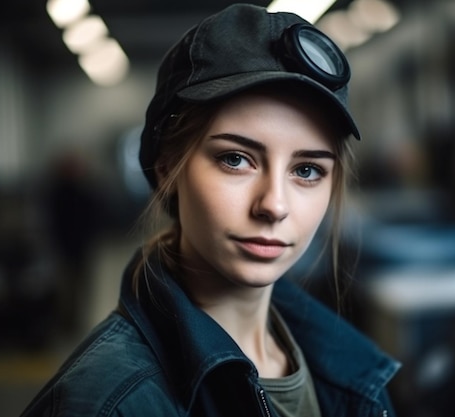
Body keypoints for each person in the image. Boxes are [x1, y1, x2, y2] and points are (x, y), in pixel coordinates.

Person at [20, 4, 400, 417]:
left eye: (306, 170)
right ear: (167, 170)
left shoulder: (352, 372)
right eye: (236, 159)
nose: (274, 205)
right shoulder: (105, 405)